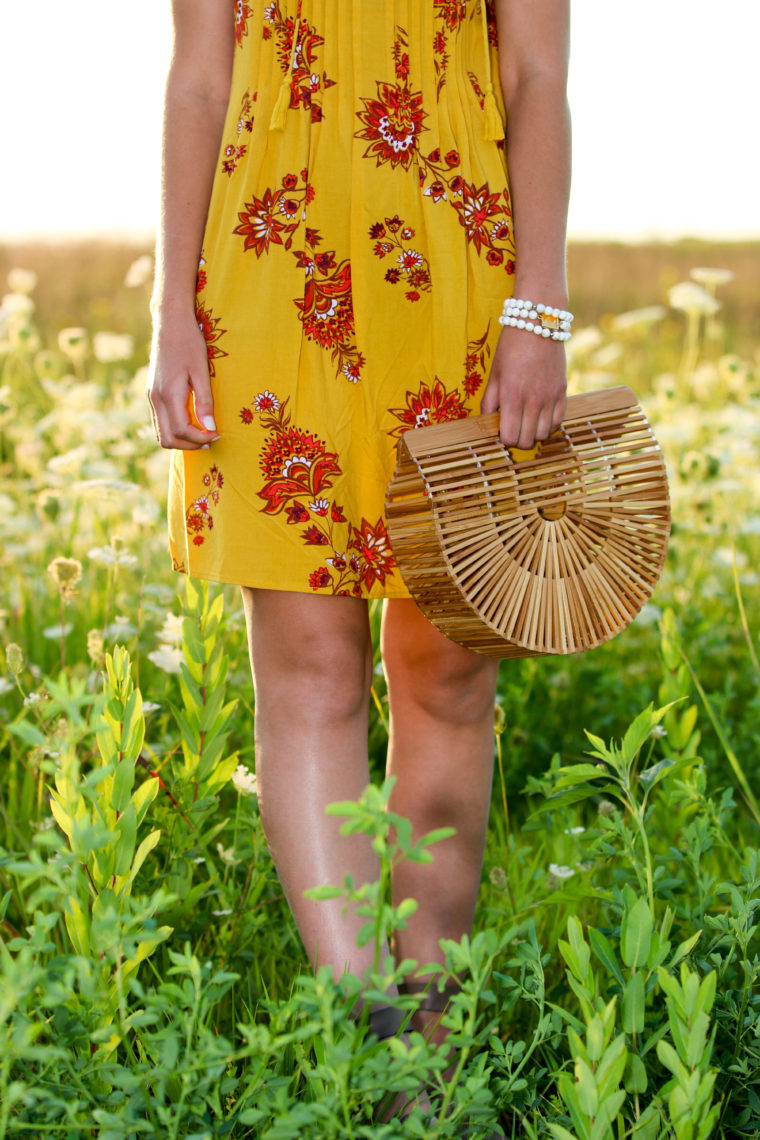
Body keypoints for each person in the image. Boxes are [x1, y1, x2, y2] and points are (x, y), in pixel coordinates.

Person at [147, 0, 570, 1090]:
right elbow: (197, 79)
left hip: (463, 284)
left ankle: (430, 1057)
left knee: (448, 672)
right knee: (310, 673)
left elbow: (532, 77)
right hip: (263, 274)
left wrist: (541, 308)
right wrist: (171, 310)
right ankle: (369, 1047)